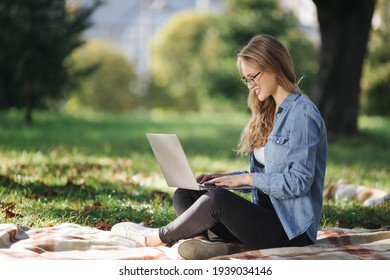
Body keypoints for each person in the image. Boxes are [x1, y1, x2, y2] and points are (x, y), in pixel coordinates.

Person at [111, 34, 328, 259]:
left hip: (291, 231)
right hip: (263, 222)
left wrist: (245, 179)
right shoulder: (271, 111)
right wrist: (224, 178)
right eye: (246, 80)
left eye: (253, 77)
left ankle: (154, 237)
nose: (251, 86)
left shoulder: (302, 114)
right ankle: (201, 243)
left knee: (217, 200)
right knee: (186, 193)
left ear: (273, 66)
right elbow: (270, 176)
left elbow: (299, 183)